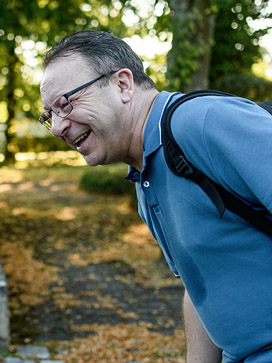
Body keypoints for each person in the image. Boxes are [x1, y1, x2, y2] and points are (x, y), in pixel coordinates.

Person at [39, 29, 272, 363]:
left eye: (65, 104)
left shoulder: (203, 122)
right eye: (49, 115)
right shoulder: (144, 175)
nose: (57, 127)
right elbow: (200, 288)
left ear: (122, 84)